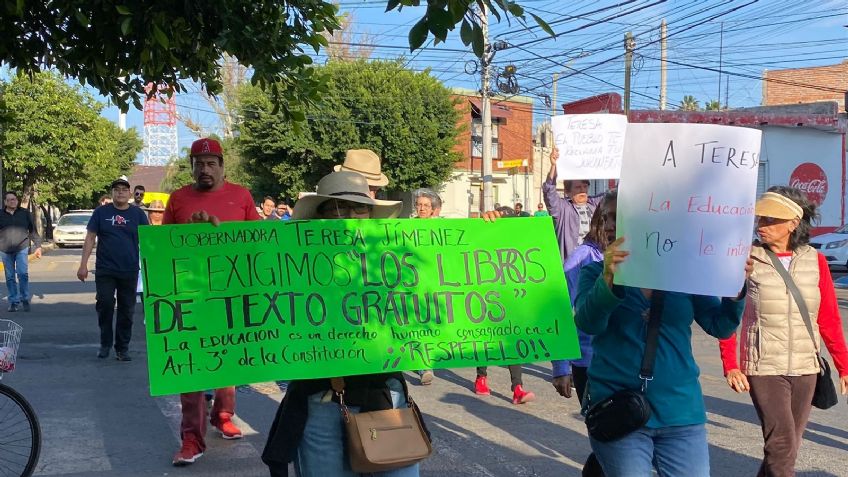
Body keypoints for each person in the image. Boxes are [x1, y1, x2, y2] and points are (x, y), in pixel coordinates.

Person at [574, 194, 749, 477]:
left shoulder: (683, 271)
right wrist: (609, 279)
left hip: (680, 410)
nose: (609, 225)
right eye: (604, 218)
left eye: (619, 217)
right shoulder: (594, 272)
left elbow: (721, 326)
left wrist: (735, 291)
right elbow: (588, 322)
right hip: (619, 409)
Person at [262, 171, 421, 477]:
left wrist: (487, 230)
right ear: (319, 215)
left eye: (358, 208)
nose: (349, 216)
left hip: (384, 395)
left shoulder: (395, 260)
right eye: (338, 208)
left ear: (370, 214)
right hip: (321, 401)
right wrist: (202, 237)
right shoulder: (291, 263)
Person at [718, 187, 848, 477]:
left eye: (770, 220)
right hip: (764, 365)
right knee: (781, 443)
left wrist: (843, 365)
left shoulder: (815, 260)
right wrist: (731, 364)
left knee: (788, 447)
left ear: (792, 223)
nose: (761, 225)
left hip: (806, 366)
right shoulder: (745, 259)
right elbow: (727, 316)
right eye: (760, 219)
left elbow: (828, 317)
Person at [163, 137, 261, 466]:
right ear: (191, 167)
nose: (204, 169)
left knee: (228, 361)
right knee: (190, 368)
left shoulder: (242, 196)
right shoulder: (177, 200)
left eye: (211, 163)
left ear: (221, 166)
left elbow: (258, 244)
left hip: (231, 297)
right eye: (198, 163)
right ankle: (191, 439)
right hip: (190, 296)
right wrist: (187, 237)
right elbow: (162, 250)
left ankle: (223, 415)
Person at [552, 190, 617, 405]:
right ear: (599, 222)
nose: (612, 226)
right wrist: (561, 366)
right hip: (590, 363)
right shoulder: (583, 257)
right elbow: (560, 306)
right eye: (608, 219)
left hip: (631, 365)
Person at [77, 178, 149, 360]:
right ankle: (105, 343)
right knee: (105, 304)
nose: (120, 193)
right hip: (105, 269)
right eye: (116, 190)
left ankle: (122, 348)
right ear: (112, 193)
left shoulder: (138, 214)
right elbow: (90, 238)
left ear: (129, 194)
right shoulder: (101, 213)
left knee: (127, 310)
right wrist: (83, 265)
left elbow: (148, 241)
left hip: (129, 270)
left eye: (124, 190)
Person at [473, 206, 536, 404]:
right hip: (484, 295)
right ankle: (481, 377)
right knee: (484, 337)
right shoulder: (483, 236)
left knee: (512, 339)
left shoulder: (518, 240)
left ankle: (517, 388)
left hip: (508, 297)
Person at [543, 149, 602, 264]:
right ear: (568, 192)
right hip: (573, 266)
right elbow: (549, 192)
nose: (583, 191)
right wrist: (554, 166)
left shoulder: (594, 204)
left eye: (585, 187)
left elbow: (615, 194)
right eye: (578, 187)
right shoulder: (562, 209)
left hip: (595, 263)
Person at [411, 188, 442, 384]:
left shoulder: (440, 229)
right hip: (412, 283)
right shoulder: (406, 227)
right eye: (419, 205)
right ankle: (424, 367)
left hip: (435, 283)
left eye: (426, 205)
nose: (422, 208)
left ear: (433, 209)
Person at [0, 191, 42, 312]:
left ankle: (24, 298)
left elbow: (32, 230)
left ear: (17, 201)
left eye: (14, 199)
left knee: (23, 273)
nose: (12, 201)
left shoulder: (25, 213)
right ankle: (14, 301)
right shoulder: (1, 214)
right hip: (5, 249)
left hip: (22, 247)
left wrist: (38, 246)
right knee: (10, 277)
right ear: (5, 202)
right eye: (10, 200)